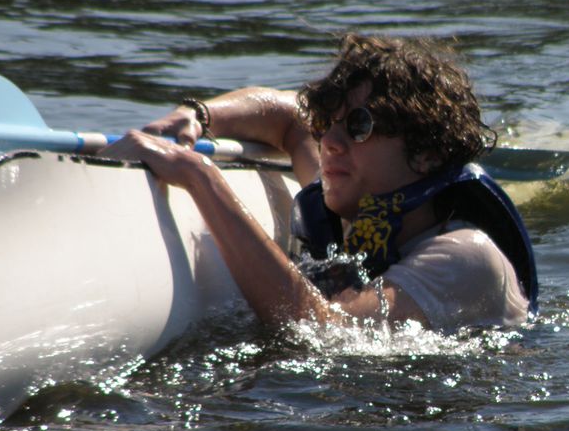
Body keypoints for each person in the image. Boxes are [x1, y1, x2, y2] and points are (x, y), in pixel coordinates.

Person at [103, 33, 536, 331]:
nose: (329, 142)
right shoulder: (352, 201)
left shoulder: (465, 259)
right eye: (328, 123)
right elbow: (291, 117)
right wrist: (198, 116)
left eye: (359, 126)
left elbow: (324, 335)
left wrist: (202, 180)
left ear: (428, 154)